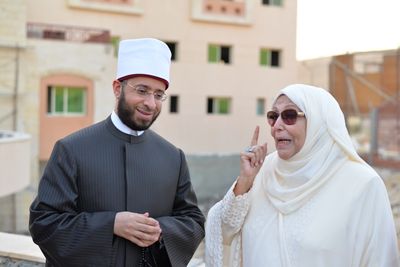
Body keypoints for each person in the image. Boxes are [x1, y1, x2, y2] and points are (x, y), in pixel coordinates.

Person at [29, 38, 205, 267]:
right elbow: (44, 223)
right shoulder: (71, 149)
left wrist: (160, 230)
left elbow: (193, 222)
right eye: (142, 90)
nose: (151, 103)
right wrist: (111, 224)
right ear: (117, 88)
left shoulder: (173, 157)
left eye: (159, 94)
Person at [205, 84, 399, 267]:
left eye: (289, 115)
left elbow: (380, 259)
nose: (277, 126)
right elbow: (223, 231)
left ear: (318, 122)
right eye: (273, 116)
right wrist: (244, 182)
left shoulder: (362, 184)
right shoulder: (262, 171)